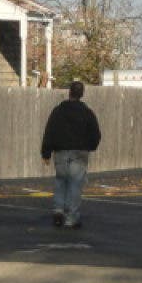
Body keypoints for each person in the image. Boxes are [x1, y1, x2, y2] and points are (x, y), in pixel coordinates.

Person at [40, 80, 102, 229]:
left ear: (69, 92)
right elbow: (96, 134)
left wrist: (46, 152)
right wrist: (90, 146)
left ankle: (58, 210)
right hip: (79, 152)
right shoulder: (87, 113)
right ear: (82, 94)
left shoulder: (58, 111)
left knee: (61, 181)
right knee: (75, 184)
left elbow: (50, 131)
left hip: (60, 151)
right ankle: (71, 217)